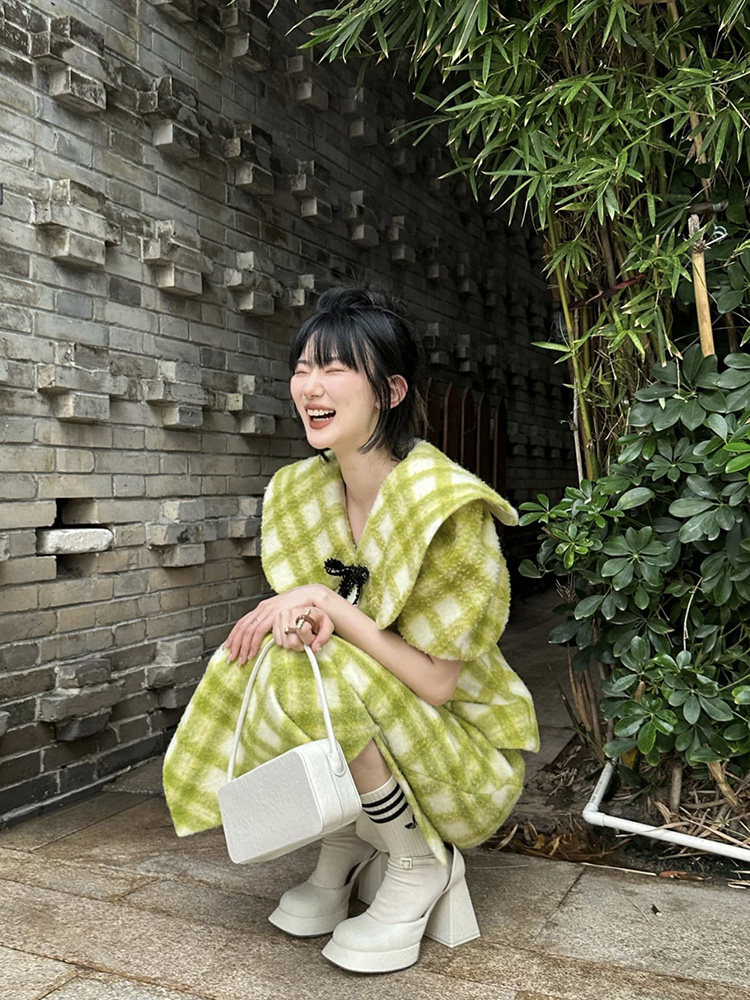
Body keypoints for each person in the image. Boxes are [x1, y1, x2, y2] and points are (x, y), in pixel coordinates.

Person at [163, 286, 539, 973]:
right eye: (303, 367)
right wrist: (302, 619)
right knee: (287, 658)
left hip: (461, 747)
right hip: (390, 720)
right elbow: (320, 629)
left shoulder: (446, 508)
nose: (310, 386)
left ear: (391, 391)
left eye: (335, 369)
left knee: (326, 665)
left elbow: (436, 682)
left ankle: (418, 860)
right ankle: (346, 842)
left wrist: (327, 607)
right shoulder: (300, 491)